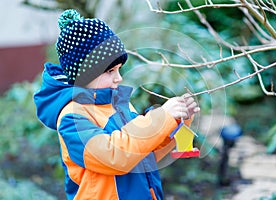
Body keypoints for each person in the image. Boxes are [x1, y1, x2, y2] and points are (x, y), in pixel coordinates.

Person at [34, 9, 200, 200]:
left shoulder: (119, 105)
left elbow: (144, 155)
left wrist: (176, 123)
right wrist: (162, 117)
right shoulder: (72, 117)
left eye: (119, 69)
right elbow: (115, 156)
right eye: (110, 71)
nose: (118, 78)